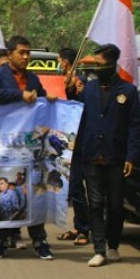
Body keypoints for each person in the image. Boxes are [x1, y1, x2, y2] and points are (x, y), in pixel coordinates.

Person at [0, 35, 57, 260]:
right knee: (5, 193)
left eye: (28, 53)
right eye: (21, 53)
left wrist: (48, 100)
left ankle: (40, 241)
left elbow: (40, 103)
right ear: (9, 54)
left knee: (35, 193)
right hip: (5, 146)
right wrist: (19, 95)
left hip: (29, 148)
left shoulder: (33, 78)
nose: (25, 57)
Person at [75, 44, 140, 267]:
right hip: (91, 155)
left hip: (116, 157)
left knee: (115, 205)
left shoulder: (128, 91)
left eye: (100, 64)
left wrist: (131, 156)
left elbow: (134, 126)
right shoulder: (89, 89)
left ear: (112, 65)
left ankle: (113, 245)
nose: (97, 68)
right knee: (95, 203)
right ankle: (99, 249)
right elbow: (77, 116)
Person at [56, 47, 90, 246]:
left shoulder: (81, 82)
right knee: (72, 188)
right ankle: (78, 226)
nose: (60, 65)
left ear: (66, 62)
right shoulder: (69, 81)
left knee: (78, 188)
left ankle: (84, 229)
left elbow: (80, 107)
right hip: (71, 144)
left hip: (82, 144)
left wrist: (73, 89)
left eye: (60, 61)